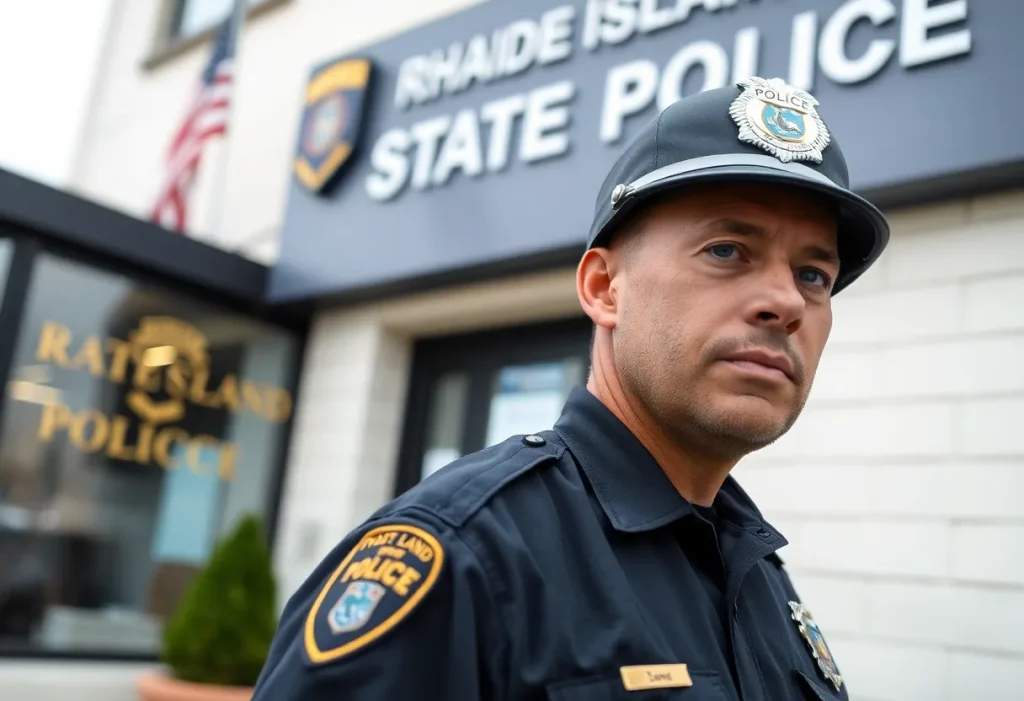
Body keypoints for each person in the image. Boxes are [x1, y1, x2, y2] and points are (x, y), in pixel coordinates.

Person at [251, 76, 889, 701]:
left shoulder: (755, 570)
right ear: (604, 289)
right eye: (726, 251)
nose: (786, 301)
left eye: (813, 274)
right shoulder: (464, 557)